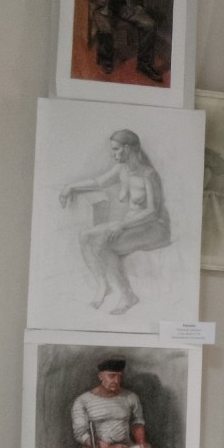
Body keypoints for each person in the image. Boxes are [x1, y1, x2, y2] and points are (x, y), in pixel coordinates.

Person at [59, 129, 171, 316]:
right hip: (132, 224)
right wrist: (70, 186)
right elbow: (98, 182)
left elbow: (152, 212)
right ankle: (103, 285)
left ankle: (128, 295)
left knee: (104, 244)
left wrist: (121, 225)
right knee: (84, 236)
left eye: (116, 149)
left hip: (154, 228)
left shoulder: (148, 174)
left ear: (127, 149)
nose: (113, 154)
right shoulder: (122, 169)